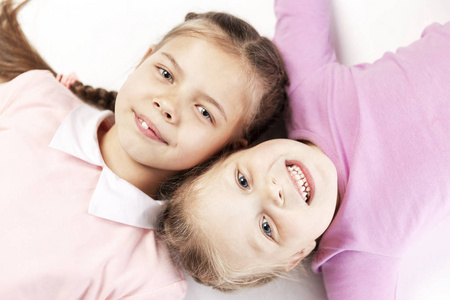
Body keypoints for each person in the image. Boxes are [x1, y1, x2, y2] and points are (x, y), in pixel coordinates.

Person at [160, 0, 450, 298]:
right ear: (295, 255)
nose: (274, 192)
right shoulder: (355, 255)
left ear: (238, 150)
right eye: (266, 227)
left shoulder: (305, 88)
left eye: (243, 180)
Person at [0, 0, 288, 298]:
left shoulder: (151, 281)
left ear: (226, 151)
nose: (168, 105)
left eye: (204, 112)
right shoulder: (37, 96)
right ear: (143, 61)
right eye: (165, 74)